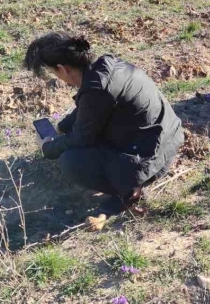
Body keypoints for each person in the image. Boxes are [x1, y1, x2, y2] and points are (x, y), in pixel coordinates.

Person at [24, 32, 184, 215]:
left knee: (70, 161)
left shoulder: (96, 91)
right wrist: (61, 127)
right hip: (169, 141)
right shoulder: (107, 66)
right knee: (89, 140)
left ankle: (127, 191)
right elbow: (88, 111)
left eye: (53, 72)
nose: (56, 76)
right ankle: (129, 180)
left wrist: (48, 148)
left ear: (62, 69)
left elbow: (81, 138)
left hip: (151, 162)